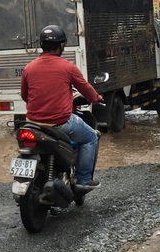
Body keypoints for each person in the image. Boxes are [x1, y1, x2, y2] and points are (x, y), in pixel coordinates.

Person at [20, 24, 103, 195]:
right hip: (61, 123)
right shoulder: (68, 67)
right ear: (62, 45)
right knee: (91, 138)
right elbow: (86, 89)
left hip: (32, 124)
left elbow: (25, 96)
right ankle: (83, 180)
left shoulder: (29, 68)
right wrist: (97, 98)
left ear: (42, 44)